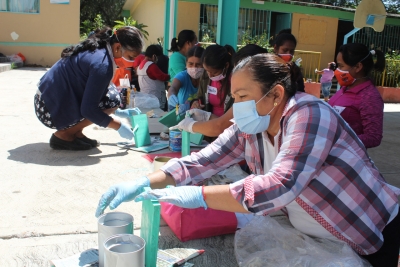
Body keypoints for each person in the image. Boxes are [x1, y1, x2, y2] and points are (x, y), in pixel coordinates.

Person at [96, 53, 400, 267]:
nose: (235, 106)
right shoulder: (252, 126)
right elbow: (202, 161)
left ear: (276, 94)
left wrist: (198, 195)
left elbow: (281, 185)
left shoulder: (309, 114)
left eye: (242, 97)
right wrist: (142, 182)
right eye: (234, 97)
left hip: (371, 229)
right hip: (327, 239)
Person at [34, 26, 144, 150]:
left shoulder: (100, 48)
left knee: (112, 96)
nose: (133, 62)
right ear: (118, 47)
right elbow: (88, 110)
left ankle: (76, 133)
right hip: (49, 109)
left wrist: (118, 112)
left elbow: (98, 90)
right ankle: (64, 135)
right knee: (112, 100)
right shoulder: (103, 64)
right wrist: (118, 125)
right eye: (130, 57)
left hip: (47, 98)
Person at [329, 43, 385, 149]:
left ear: (358, 67)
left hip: (346, 158)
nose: (337, 71)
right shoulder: (344, 89)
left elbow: (373, 137)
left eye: (341, 66)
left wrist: (339, 142)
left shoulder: (369, 97)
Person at [191, 44, 236, 118]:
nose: (210, 75)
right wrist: (196, 102)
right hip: (208, 122)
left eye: (214, 73)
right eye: (207, 71)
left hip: (228, 124)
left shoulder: (235, 81)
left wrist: (213, 120)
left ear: (226, 65)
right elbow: (200, 96)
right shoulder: (206, 76)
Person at [167, 46, 205, 113]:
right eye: (190, 64)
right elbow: (173, 88)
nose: (194, 68)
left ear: (204, 64)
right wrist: (171, 95)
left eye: (198, 64)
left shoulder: (207, 79)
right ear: (186, 63)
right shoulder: (182, 76)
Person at [137, 45, 170, 110]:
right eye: (157, 57)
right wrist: (172, 75)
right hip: (155, 98)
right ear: (154, 56)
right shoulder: (151, 66)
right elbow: (162, 77)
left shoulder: (140, 65)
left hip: (145, 96)